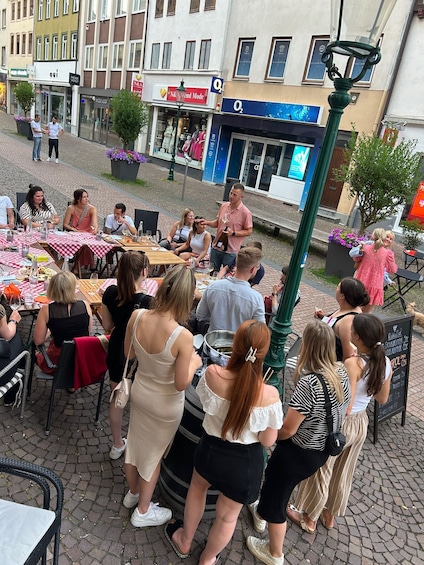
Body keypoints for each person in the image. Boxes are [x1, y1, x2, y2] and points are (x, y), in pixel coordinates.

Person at [165, 320, 283, 564]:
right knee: (227, 518)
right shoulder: (270, 395)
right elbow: (267, 440)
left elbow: (207, 406)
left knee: (196, 491)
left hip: (211, 450)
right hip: (245, 464)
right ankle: (208, 558)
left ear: (234, 345)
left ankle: (185, 540)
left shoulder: (213, 374)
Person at [246, 320, 351, 565]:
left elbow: (289, 429)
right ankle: (263, 514)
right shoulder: (341, 372)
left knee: (277, 499)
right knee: (280, 491)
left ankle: (274, 553)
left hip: (296, 453)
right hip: (320, 451)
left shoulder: (309, 383)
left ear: (309, 346)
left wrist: (270, 437)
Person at [288, 314, 392, 533]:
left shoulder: (352, 363)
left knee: (322, 469)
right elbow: (382, 399)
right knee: (344, 471)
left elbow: (345, 402)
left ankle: (310, 518)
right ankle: (329, 514)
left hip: (343, 423)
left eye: (353, 329)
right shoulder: (386, 363)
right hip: (361, 422)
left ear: (358, 337)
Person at [122, 265, 202, 528]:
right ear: (186, 297)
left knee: (135, 445)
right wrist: (194, 364)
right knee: (153, 455)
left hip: (140, 392)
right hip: (165, 404)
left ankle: (133, 494)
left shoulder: (138, 316)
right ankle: (143, 511)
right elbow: (181, 384)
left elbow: (129, 354)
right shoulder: (183, 336)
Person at [101, 252, 154, 460]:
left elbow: (106, 326)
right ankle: (138, 445)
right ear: (143, 272)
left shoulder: (111, 292)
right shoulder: (149, 302)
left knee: (116, 398)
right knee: (139, 402)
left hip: (116, 350)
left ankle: (117, 444)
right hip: (138, 354)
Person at [34, 271, 92, 375]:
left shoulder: (46, 310)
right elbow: (88, 330)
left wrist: (49, 331)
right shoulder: (85, 305)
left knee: (39, 354)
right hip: (82, 357)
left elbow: (38, 341)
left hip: (59, 360)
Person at [196, 247, 265, 333]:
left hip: (212, 340)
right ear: (252, 269)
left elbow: (200, 315)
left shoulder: (213, 286)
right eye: (257, 267)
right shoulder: (256, 298)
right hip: (238, 343)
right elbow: (259, 331)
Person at [200, 183, 253, 273]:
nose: (231, 196)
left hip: (231, 250)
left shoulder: (245, 213)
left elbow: (249, 231)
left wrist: (233, 233)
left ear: (241, 197)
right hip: (217, 246)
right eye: (231, 193)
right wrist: (207, 222)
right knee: (211, 271)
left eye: (234, 195)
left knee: (226, 275)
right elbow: (218, 223)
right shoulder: (224, 206)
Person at [314, 277, 370, 361]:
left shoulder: (348, 321)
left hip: (330, 366)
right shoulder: (346, 309)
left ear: (342, 296)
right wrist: (323, 317)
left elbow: (349, 355)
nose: (335, 289)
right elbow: (335, 324)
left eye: (338, 287)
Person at [349, 228, 397, 312]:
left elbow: (356, 259)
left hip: (361, 280)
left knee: (354, 308)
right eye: (387, 237)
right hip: (375, 285)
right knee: (366, 312)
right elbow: (392, 269)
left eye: (391, 239)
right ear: (382, 236)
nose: (388, 239)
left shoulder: (366, 247)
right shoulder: (388, 254)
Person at [63, 189, 98, 270]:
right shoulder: (71, 208)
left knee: (87, 244)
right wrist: (75, 230)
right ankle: (89, 264)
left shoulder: (92, 209)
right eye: (84, 197)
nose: (87, 199)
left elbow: (95, 222)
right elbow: (65, 224)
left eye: (87, 197)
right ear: (78, 199)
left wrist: (95, 228)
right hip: (76, 233)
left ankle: (77, 267)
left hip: (88, 233)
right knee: (82, 245)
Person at [0, 299, 25, 407]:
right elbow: (8, 335)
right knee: (16, 338)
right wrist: (13, 321)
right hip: (2, 375)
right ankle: (11, 396)